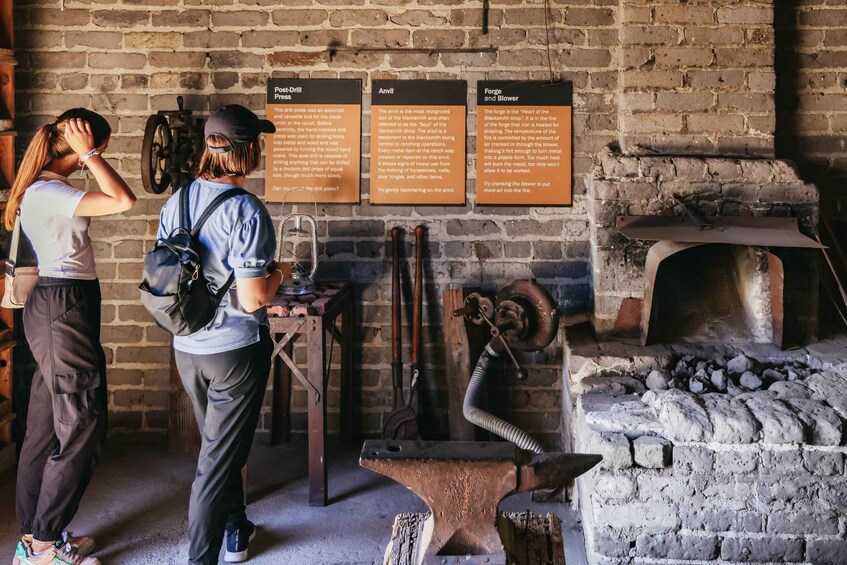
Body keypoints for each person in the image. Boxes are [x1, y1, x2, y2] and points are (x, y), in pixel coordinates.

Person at [7, 109, 137, 565]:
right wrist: (92, 155)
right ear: (83, 148)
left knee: (44, 427)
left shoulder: (48, 188)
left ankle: (36, 535)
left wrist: (86, 153)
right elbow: (123, 199)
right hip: (63, 308)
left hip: (57, 308)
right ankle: (43, 545)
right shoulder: (47, 191)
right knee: (83, 422)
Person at [157, 105, 281, 564]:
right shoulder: (247, 210)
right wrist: (280, 275)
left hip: (187, 347)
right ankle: (200, 558)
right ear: (247, 151)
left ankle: (236, 529)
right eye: (258, 142)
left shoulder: (178, 200)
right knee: (215, 463)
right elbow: (253, 300)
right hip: (233, 352)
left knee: (221, 449)